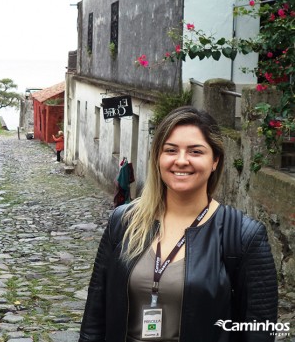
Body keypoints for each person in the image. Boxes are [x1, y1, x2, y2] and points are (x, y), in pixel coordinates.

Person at [79, 106, 278, 342]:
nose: (181, 161)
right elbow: (95, 316)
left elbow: (260, 331)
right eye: (171, 150)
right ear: (158, 158)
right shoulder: (123, 222)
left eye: (195, 151)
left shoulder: (244, 236)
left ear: (215, 160)